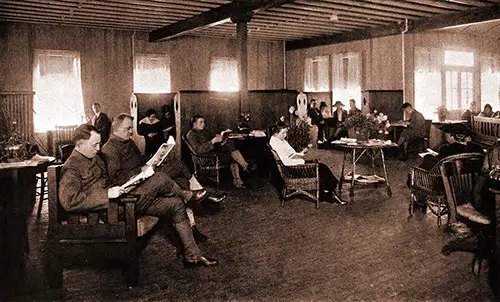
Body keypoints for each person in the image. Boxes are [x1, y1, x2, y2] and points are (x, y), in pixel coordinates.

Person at [59, 124, 218, 267]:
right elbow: (69, 201)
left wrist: (131, 180)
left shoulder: (92, 157)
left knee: (175, 204)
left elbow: (110, 179)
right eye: (94, 144)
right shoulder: (72, 167)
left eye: (99, 143)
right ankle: (189, 196)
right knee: (159, 179)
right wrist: (107, 194)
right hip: (112, 211)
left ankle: (193, 256)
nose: (98, 148)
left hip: (122, 201)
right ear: (80, 144)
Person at [102, 114, 225, 243]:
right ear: (116, 129)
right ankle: (201, 203)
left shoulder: (128, 142)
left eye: (131, 128)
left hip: (145, 173)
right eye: (128, 129)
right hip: (137, 185)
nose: (131, 132)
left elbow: (140, 160)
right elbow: (115, 179)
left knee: (179, 170)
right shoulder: (110, 149)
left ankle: (194, 218)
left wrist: (156, 160)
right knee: (180, 176)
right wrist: (140, 170)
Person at [269, 122, 346, 205]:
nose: (285, 135)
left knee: (322, 167)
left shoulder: (280, 140)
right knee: (321, 168)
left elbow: (291, 153)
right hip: (292, 169)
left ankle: (328, 191)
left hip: (294, 164)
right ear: (276, 133)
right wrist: (301, 160)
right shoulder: (275, 143)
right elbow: (286, 162)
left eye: (286, 132)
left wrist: (301, 154)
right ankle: (331, 193)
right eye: (283, 133)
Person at [186, 115, 253, 189]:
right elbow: (198, 150)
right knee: (232, 154)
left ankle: (240, 178)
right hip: (204, 158)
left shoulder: (205, 132)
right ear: (194, 124)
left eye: (203, 122)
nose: (203, 124)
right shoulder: (191, 135)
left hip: (213, 153)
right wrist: (212, 142)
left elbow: (215, 140)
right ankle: (245, 168)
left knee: (230, 147)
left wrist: (222, 140)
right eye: (200, 122)